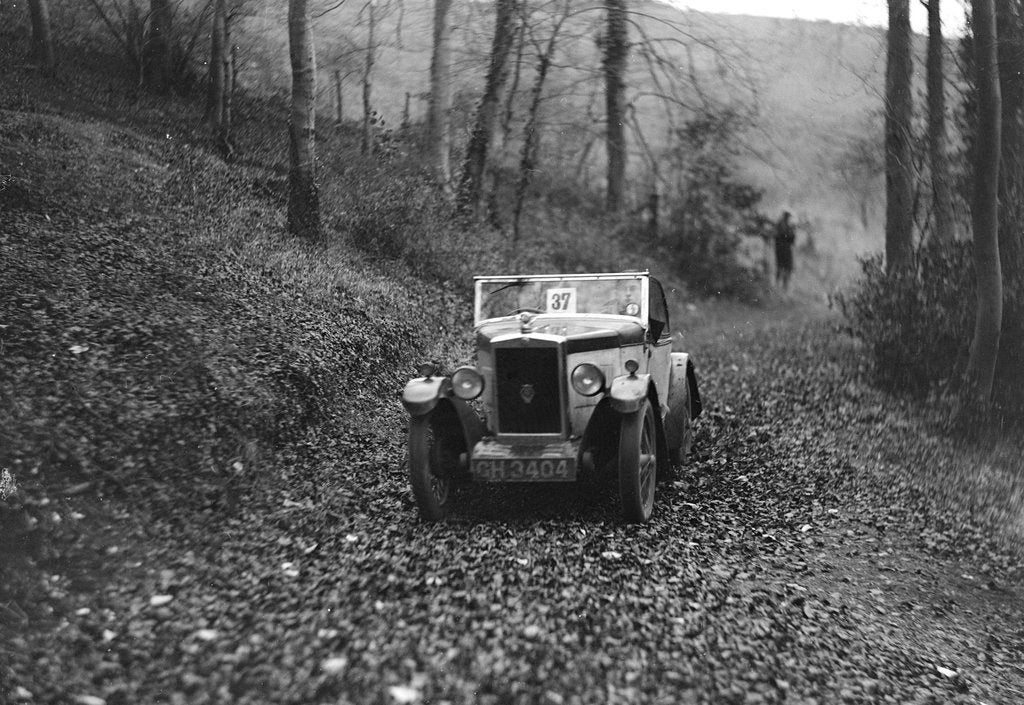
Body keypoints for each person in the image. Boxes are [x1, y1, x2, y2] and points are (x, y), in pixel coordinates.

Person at [774, 210, 796, 292]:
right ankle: (783, 287)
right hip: (785, 250)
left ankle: (780, 286)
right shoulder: (785, 226)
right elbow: (791, 239)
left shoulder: (780, 225)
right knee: (786, 268)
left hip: (780, 249)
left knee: (781, 267)